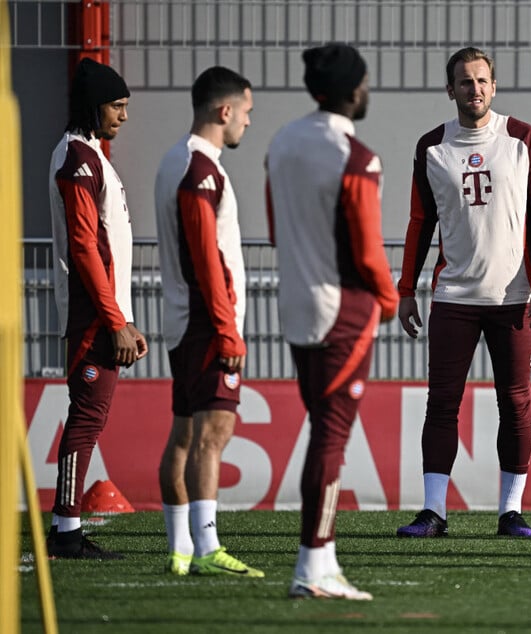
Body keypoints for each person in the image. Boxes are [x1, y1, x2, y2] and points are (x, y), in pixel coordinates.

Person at [395, 46, 531, 539]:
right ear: (451, 90)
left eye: (483, 81)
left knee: (515, 403)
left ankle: (511, 512)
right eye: (465, 82)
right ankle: (433, 512)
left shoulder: (523, 139)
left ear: (494, 85)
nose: (475, 90)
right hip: (453, 298)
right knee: (442, 404)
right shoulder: (431, 147)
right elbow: (419, 223)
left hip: (513, 297)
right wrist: (406, 290)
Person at [265, 43, 398, 600]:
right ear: (352, 89)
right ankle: (313, 566)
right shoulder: (356, 156)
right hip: (341, 308)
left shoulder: (282, 141)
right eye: (365, 82)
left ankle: (323, 560)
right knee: (332, 436)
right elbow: (367, 249)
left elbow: (275, 228)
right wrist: (389, 299)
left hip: (295, 303)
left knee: (323, 431)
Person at [154, 66, 262, 577]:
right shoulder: (201, 169)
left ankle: (178, 550)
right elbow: (206, 257)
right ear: (225, 111)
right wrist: (226, 328)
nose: (247, 122)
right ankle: (206, 547)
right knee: (213, 433)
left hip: (184, 319)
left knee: (183, 435)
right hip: (205, 323)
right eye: (246, 112)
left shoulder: (176, 161)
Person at [47, 57, 149, 559]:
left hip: (102, 313)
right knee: (86, 419)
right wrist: (115, 321)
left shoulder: (86, 155)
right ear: (94, 105)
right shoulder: (79, 161)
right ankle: (65, 529)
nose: (124, 116)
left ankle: (66, 525)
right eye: (117, 105)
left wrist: (125, 317)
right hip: (91, 316)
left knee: (89, 417)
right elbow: (87, 249)